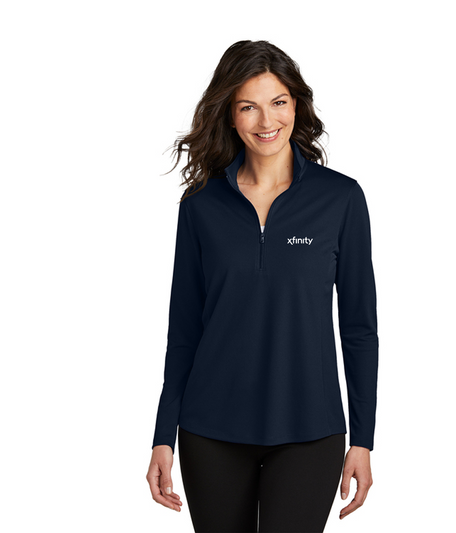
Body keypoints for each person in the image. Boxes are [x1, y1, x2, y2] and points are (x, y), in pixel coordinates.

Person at [146, 40, 379, 532]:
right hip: (210, 430)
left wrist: (363, 438)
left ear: (296, 106)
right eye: (248, 106)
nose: (266, 120)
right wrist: (163, 434)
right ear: (230, 115)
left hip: (310, 430)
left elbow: (359, 328)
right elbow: (183, 330)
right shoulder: (201, 205)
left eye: (278, 102)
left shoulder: (340, 199)